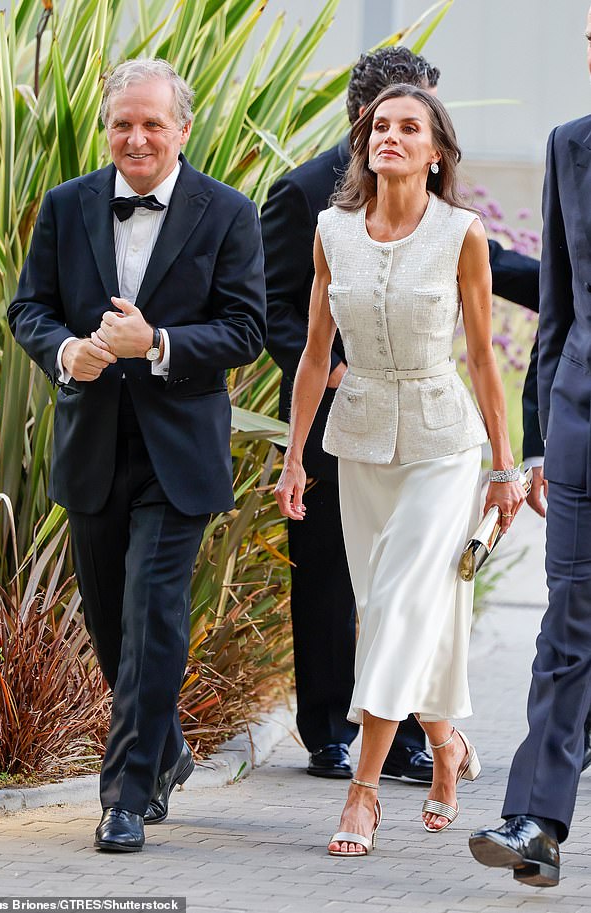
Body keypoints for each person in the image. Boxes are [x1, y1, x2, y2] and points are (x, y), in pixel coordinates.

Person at [8, 59, 266, 853]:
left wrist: (156, 342)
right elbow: (29, 307)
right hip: (91, 444)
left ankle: (124, 795)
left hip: (177, 453)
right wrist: (66, 353)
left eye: (153, 122)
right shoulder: (65, 205)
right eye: (124, 121)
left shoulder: (228, 212)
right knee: (110, 621)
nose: (137, 136)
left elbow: (245, 329)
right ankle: (166, 748)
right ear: (106, 126)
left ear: (183, 129)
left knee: (153, 615)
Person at [262, 45, 540, 783]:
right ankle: (327, 729)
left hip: (433, 428)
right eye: (396, 117)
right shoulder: (304, 200)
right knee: (329, 578)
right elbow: (279, 315)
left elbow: (487, 278)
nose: (410, 131)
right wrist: (334, 380)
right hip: (339, 417)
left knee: (410, 589)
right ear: (364, 116)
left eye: (424, 118)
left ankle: (409, 746)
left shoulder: (449, 215)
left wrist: (566, 286)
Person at [469, 6, 591, 887]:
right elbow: (559, 308)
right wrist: (543, 440)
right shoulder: (568, 145)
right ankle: (535, 821)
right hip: (583, 426)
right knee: (569, 627)